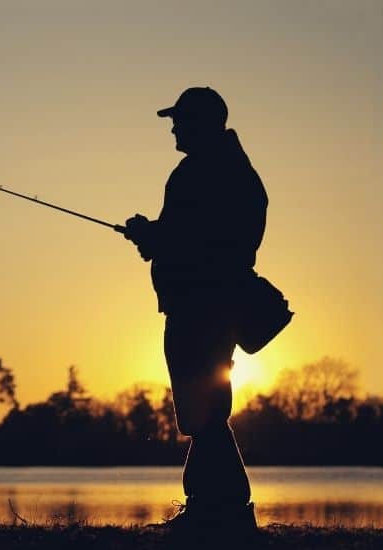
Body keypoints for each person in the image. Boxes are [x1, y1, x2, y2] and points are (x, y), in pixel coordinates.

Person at [123, 87, 266, 534]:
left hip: (201, 304)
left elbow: (204, 242)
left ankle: (222, 508)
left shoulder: (205, 172)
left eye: (180, 121)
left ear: (202, 123)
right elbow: (195, 236)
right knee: (202, 411)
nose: (174, 129)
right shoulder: (224, 170)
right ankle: (215, 508)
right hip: (204, 302)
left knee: (202, 411)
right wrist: (153, 236)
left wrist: (154, 237)